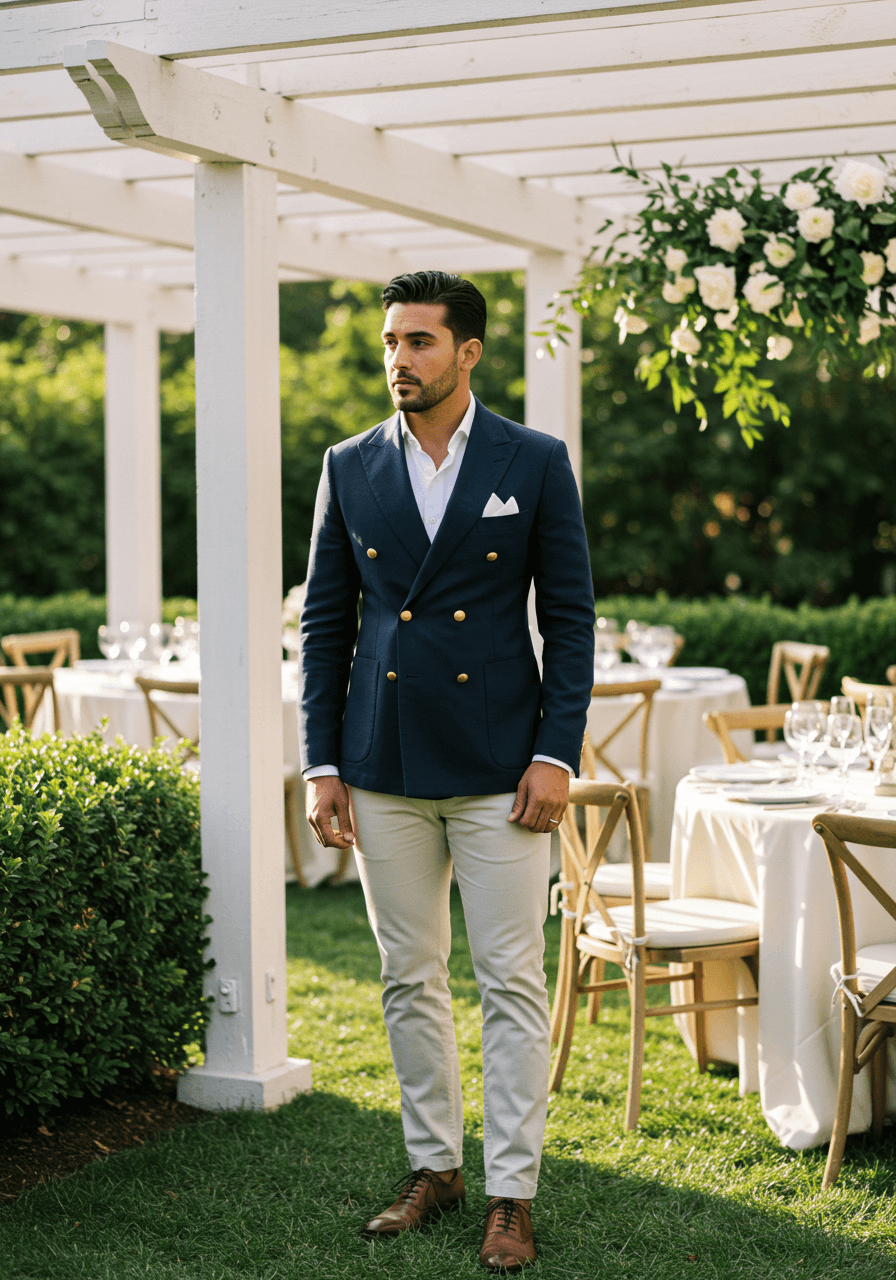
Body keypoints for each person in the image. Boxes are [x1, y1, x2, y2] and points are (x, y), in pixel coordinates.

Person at [299, 271, 594, 1271]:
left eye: (419, 343)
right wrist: (323, 763)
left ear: (466, 351)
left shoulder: (532, 459)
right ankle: (435, 1164)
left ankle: (510, 1189)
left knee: (509, 979)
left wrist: (555, 749)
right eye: (390, 342)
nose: (398, 361)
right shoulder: (348, 464)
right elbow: (325, 622)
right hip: (381, 758)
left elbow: (569, 617)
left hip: (501, 764)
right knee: (406, 974)